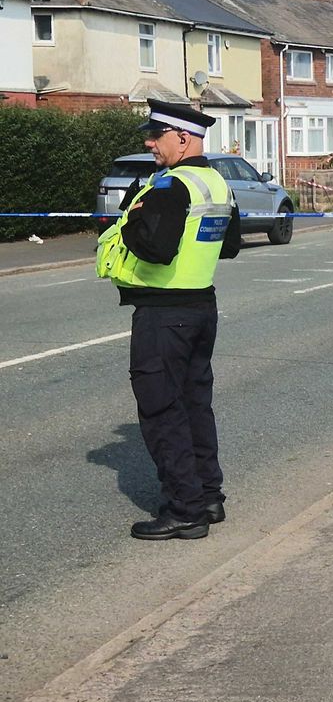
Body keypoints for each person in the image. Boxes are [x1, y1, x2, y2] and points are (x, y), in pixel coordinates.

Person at [95, 99, 241, 541]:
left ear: (182, 138)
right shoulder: (216, 183)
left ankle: (184, 510)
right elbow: (230, 245)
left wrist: (131, 220)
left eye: (156, 136)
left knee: (162, 410)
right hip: (201, 307)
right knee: (194, 404)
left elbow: (156, 249)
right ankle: (208, 497)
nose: (149, 142)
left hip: (164, 314)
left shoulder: (171, 187)